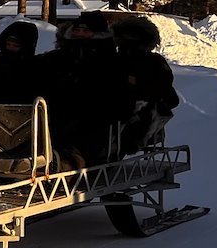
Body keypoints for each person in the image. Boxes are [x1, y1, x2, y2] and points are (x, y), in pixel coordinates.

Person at [36, 11, 125, 168]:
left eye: (86, 31)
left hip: (92, 119)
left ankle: (68, 162)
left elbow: (116, 96)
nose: (80, 34)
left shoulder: (110, 61)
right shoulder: (56, 57)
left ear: (99, 34)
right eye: (77, 30)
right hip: (53, 114)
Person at [113, 15, 178, 152]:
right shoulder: (113, 60)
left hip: (135, 117)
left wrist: (137, 85)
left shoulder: (154, 63)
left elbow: (167, 95)